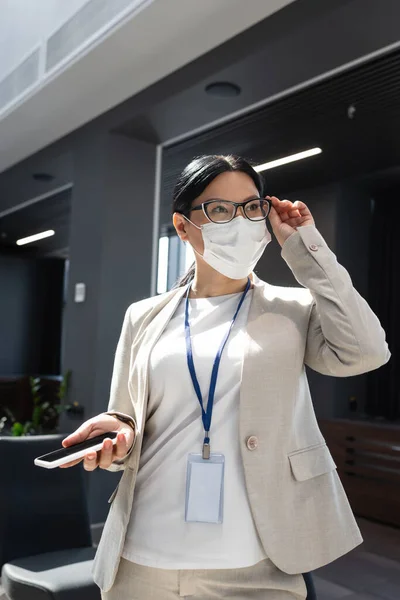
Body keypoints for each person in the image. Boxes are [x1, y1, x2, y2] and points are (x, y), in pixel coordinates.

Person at [62, 155, 390, 599]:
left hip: (254, 566)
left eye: (251, 207)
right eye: (219, 210)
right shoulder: (144, 316)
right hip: (141, 559)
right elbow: (127, 416)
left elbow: (366, 351)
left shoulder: (292, 310)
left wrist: (305, 245)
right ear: (182, 227)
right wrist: (117, 437)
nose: (240, 221)